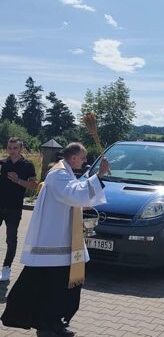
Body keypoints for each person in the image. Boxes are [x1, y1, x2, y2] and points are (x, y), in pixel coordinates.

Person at [1, 142, 109, 336]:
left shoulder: (65, 172)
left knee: (56, 287)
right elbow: (74, 194)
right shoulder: (58, 174)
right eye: (83, 157)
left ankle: (52, 322)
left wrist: (85, 197)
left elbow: (75, 194)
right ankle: (48, 324)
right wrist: (99, 175)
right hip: (54, 243)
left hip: (62, 240)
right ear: (73, 157)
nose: (85, 160)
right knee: (52, 288)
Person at [0, 137, 37, 281]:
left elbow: (33, 185)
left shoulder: (27, 165)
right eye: (10, 148)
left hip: (14, 208)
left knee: (11, 239)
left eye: (15, 148)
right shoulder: (3, 163)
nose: (12, 151)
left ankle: (6, 267)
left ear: (21, 149)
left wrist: (18, 181)